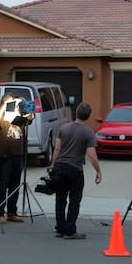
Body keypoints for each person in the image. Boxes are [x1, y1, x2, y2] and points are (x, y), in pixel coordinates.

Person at [51, 102, 101, 239]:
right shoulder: (88, 132)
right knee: (74, 200)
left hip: (60, 167)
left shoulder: (64, 128)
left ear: (76, 113)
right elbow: (91, 154)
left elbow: (57, 148)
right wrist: (98, 171)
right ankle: (70, 230)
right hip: (75, 169)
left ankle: (60, 228)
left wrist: (52, 165)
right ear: (88, 116)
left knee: (60, 199)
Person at [0, 93, 33, 224]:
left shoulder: (18, 114)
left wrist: (24, 105)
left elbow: (30, 118)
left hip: (18, 154)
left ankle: (12, 212)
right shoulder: (0, 115)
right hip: (3, 155)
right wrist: (4, 105)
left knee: (15, 185)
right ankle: (0, 213)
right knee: (3, 184)